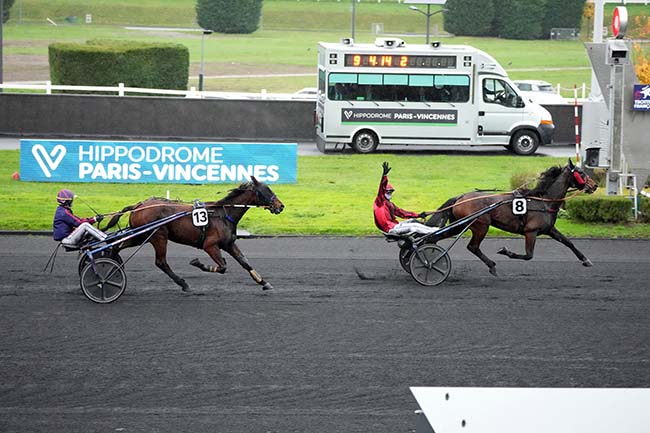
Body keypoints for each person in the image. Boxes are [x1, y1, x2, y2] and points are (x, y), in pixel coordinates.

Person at [373, 162, 439, 236]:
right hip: (391, 229)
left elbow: (402, 213)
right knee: (413, 227)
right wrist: (384, 176)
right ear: (383, 193)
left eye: (391, 192)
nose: (390, 194)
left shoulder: (390, 204)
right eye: (388, 192)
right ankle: (434, 232)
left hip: (395, 225)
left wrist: (418, 215)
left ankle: (431, 230)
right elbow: (382, 188)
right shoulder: (379, 202)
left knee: (413, 221)